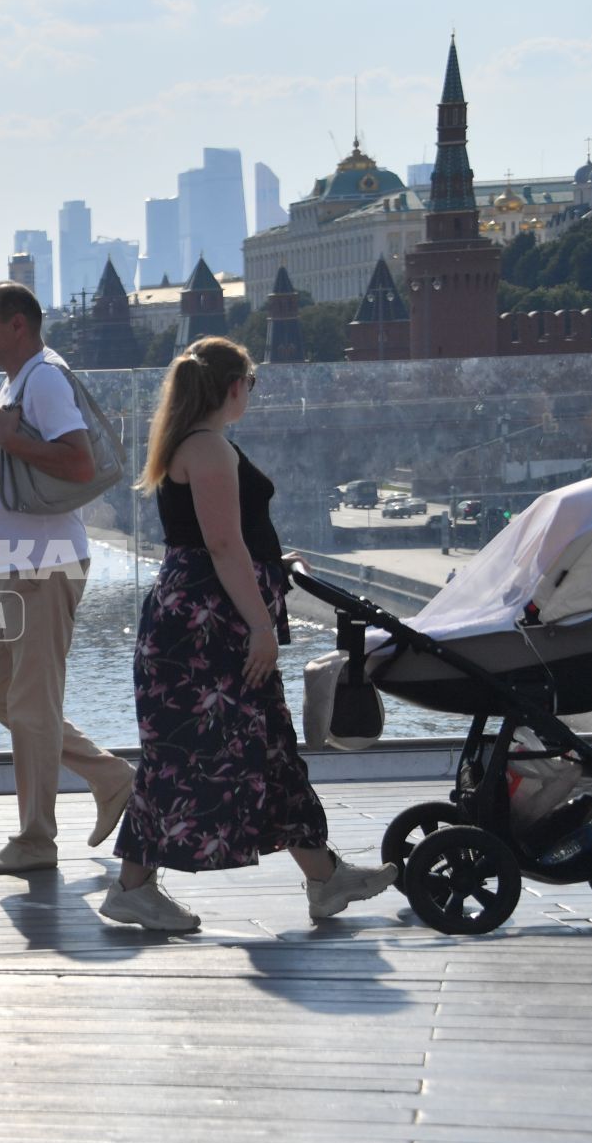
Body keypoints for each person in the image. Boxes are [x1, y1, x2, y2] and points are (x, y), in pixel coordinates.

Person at [102, 338, 397, 931]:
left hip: (201, 618)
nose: (252, 393)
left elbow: (220, 538)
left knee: (263, 748)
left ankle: (323, 877)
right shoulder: (208, 448)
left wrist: (269, 561)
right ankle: (133, 887)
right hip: (210, 630)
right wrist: (260, 623)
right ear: (233, 385)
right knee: (191, 754)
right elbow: (220, 544)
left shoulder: (194, 444)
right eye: (251, 382)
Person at [0, 281, 135, 875]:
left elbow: (80, 461)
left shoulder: (46, 379)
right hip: (9, 568)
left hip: (41, 565)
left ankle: (36, 838)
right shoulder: (19, 380)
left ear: (17, 325)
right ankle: (112, 776)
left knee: (32, 704)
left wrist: (11, 442)